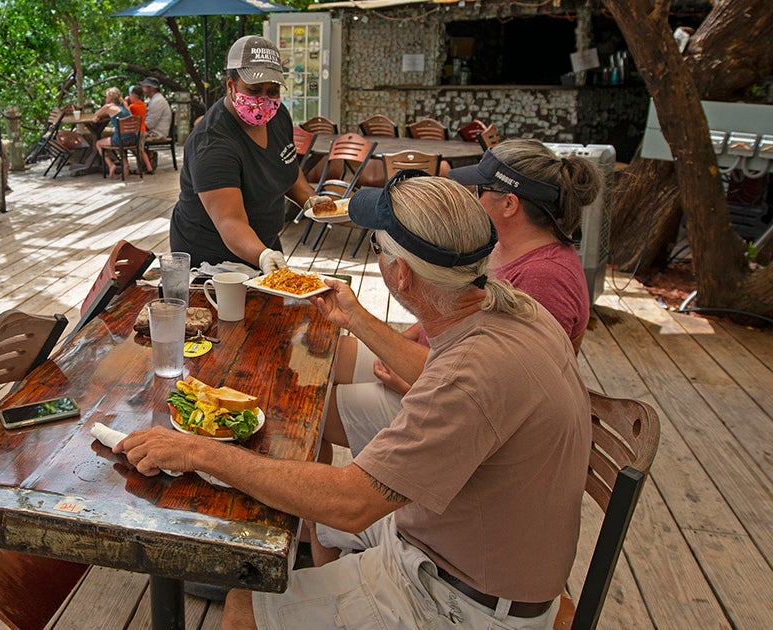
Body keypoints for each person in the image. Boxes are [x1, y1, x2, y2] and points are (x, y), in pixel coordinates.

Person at [117, 172, 591, 629]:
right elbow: (451, 382)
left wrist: (199, 451)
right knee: (309, 514)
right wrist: (357, 319)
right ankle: (327, 585)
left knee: (245, 607)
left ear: (401, 275)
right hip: (466, 542)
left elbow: (351, 502)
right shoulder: (510, 311)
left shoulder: (471, 376)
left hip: (461, 597)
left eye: (376, 246)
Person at [319, 138, 602, 462]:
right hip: (433, 365)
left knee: (314, 407)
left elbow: (502, 396)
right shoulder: (501, 247)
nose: (472, 197)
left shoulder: (546, 279)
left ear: (510, 204)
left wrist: (412, 386)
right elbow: (453, 306)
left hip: (449, 404)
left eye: (479, 190)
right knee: (323, 356)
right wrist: (412, 334)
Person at [168, 35, 326, 270]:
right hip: (210, 253)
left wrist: (309, 200)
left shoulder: (278, 116)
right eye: (254, 90)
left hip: (264, 241)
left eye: (273, 91)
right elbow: (230, 220)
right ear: (231, 85)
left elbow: (287, 167)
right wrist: (262, 256)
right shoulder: (212, 142)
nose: (264, 100)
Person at [139, 76, 173, 142]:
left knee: (132, 137)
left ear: (151, 88)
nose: (142, 89)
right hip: (155, 131)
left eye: (144, 86)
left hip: (157, 133)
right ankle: (149, 152)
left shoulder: (157, 101)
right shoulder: (155, 99)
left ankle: (143, 152)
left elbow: (150, 124)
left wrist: (137, 126)